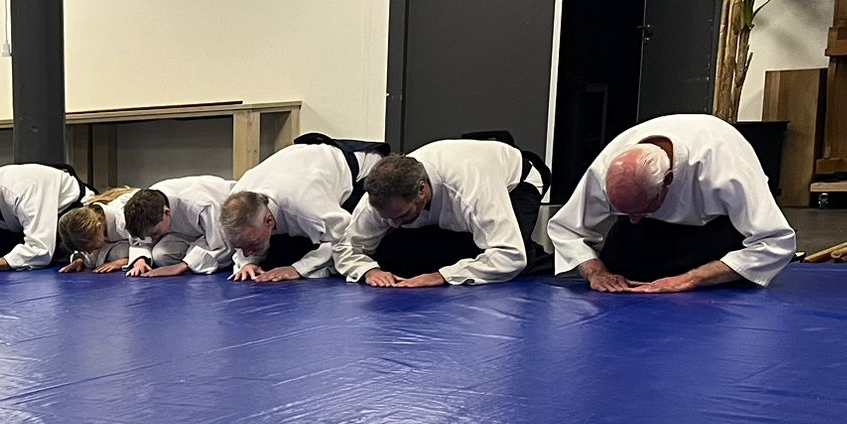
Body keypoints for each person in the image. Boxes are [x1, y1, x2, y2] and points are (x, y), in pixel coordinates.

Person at [548, 113, 797, 291]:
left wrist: (692, 279)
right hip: (650, 232)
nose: (633, 219)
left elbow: (775, 241)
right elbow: (566, 228)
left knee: (702, 277)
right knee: (622, 265)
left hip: (715, 229)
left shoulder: (725, 165)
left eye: (640, 209)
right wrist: (596, 271)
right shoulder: (607, 166)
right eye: (626, 211)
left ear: (668, 179)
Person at [338, 139, 549, 287]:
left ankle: (543, 258)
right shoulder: (380, 196)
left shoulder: (472, 190)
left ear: (421, 190)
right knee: (391, 256)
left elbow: (510, 255)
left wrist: (440, 276)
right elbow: (347, 246)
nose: (395, 224)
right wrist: (370, 271)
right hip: (455, 192)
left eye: (402, 215)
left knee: (512, 257)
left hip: (517, 181)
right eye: (388, 218)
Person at [220, 139, 381, 282]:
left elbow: (344, 237)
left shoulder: (307, 205)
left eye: (251, 244)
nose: (246, 253)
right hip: (304, 163)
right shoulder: (237, 198)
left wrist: (298, 269)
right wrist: (247, 264)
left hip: (362, 168)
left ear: (268, 221)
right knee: (278, 255)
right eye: (242, 247)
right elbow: (246, 241)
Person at [119, 176, 239, 276]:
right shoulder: (140, 210)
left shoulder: (201, 205)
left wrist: (182, 266)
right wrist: (140, 260)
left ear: (166, 212)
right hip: (191, 232)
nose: (152, 239)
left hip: (226, 214)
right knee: (161, 256)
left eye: (155, 233)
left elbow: (223, 245)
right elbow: (140, 242)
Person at [54, 189, 141, 273]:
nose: (89, 252)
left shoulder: (126, 219)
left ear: (98, 227)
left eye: (90, 247)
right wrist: (80, 259)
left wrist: (123, 262)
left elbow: (145, 244)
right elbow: (92, 255)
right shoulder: (92, 225)